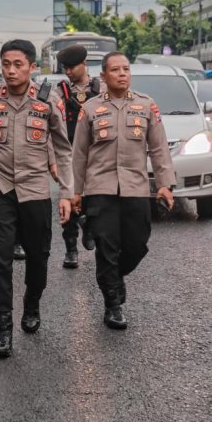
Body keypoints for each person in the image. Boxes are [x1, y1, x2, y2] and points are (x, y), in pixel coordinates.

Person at [0, 39, 73, 359]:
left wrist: (66, 192)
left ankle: (32, 303)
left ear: (31, 67)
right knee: (0, 258)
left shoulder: (47, 100)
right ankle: (2, 328)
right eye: (6, 64)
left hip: (36, 188)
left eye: (18, 65)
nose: (11, 71)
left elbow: (64, 149)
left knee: (39, 257)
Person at [71, 51, 175, 330]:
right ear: (103, 76)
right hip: (100, 189)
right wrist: (75, 192)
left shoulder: (146, 105)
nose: (122, 74)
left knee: (137, 244)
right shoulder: (91, 109)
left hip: (135, 188)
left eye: (126, 69)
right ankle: (113, 304)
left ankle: (115, 278)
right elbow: (79, 153)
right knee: (107, 248)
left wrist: (164, 184)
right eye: (115, 70)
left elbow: (159, 148)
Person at [55, 44, 101, 269]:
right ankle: (71, 249)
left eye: (72, 67)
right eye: (65, 67)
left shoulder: (100, 89)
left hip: (96, 152)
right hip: (69, 152)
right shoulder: (59, 91)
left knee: (94, 198)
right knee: (70, 198)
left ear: (85, 64)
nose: (68, 71)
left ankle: (89, 226)